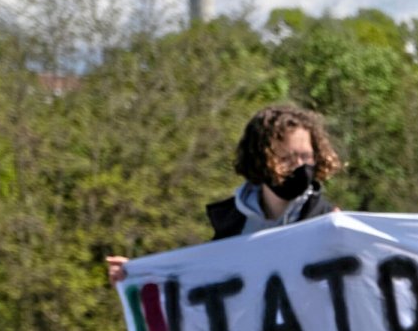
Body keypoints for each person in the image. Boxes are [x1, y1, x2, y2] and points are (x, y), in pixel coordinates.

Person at [105, 103, 343, 284]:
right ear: (261, 161)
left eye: (306, 156)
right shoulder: (231, 227)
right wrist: (137, 275)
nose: (300, 166)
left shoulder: (329, 223)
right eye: (286, 159)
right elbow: (195, 282)